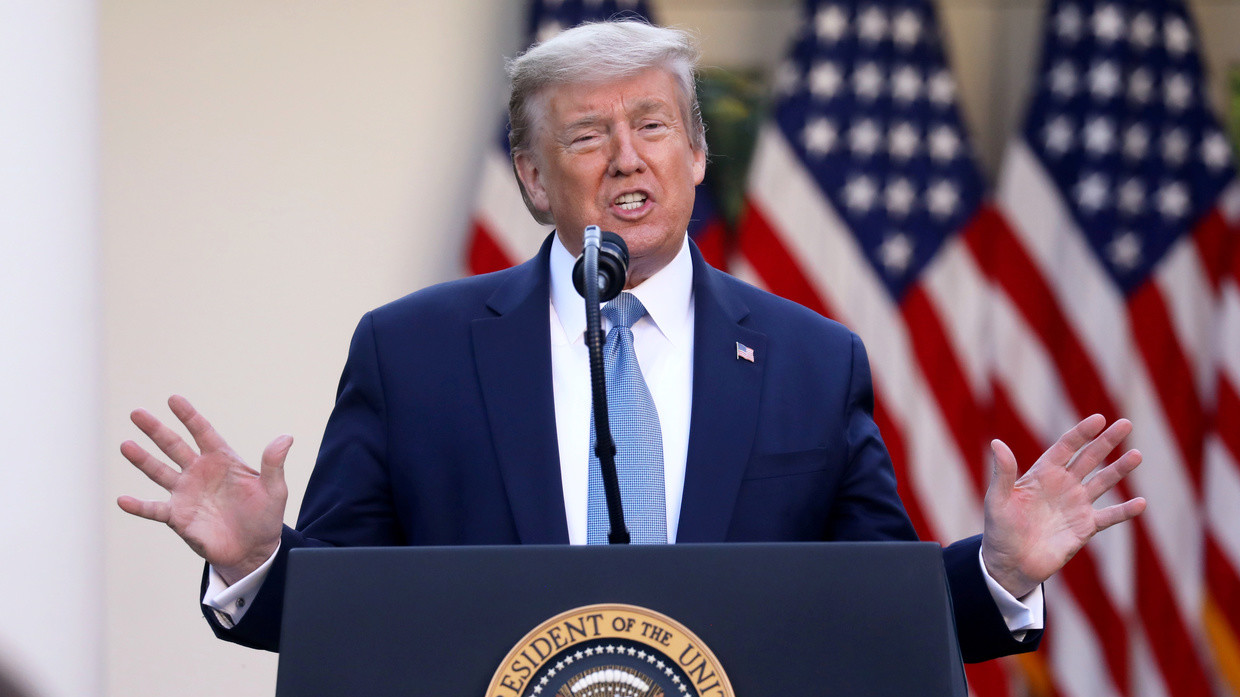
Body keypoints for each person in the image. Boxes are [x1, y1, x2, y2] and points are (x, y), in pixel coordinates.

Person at [118, 20, 1145, 660]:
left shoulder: (807, 360)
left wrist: (1001, 573)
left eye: (653, 126)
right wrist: (260, 561)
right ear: (530, 177)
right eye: (585, 135)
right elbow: (347, 622)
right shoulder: (412, 354)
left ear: (697, 153)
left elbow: (870, 613)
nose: (626, 160)